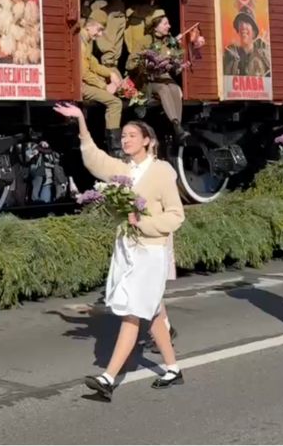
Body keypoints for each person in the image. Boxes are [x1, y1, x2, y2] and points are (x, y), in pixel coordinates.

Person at [54, 103, 185, 400]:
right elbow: (95, 159)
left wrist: (144, 222)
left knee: (131, 313)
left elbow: (176, 216)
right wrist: (81, 123)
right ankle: (173, 369)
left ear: (147, 141)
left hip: (151, 251)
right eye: (123, 136)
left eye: (131, 136)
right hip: (126, 249)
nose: (125, 140)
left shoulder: (162, 171)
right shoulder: (124, 170)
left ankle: (108, 378)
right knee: (151, 311)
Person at [127, 10, 188, 141]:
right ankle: (176, 125)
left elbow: (176, 64)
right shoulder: (145, 40)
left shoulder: (169, 41)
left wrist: (177, 61)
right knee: (163, 89)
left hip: (163, 76)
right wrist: (145, 62)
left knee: (174, 88)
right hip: (148, 79)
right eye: (165, 23)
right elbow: (130, 64)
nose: (169, 26)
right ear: (156, 26)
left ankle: (178, 126)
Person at [80, 14, 123, 154]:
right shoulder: (80, 43)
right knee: (115, 103)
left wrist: (110, 73)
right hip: (82, 86)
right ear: (89, 26)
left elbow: (93, 63)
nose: (99, 34)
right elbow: (84, 73)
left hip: (85, 83)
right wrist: (105, 86)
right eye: (98, 30)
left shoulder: (86, 41)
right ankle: (115, 148)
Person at [222, 7, 271, 77]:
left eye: (247, 23)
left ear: (254, 31)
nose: (243, 26)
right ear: (238, 30)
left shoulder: (264, 56)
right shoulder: (230, 56)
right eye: (241, 23)